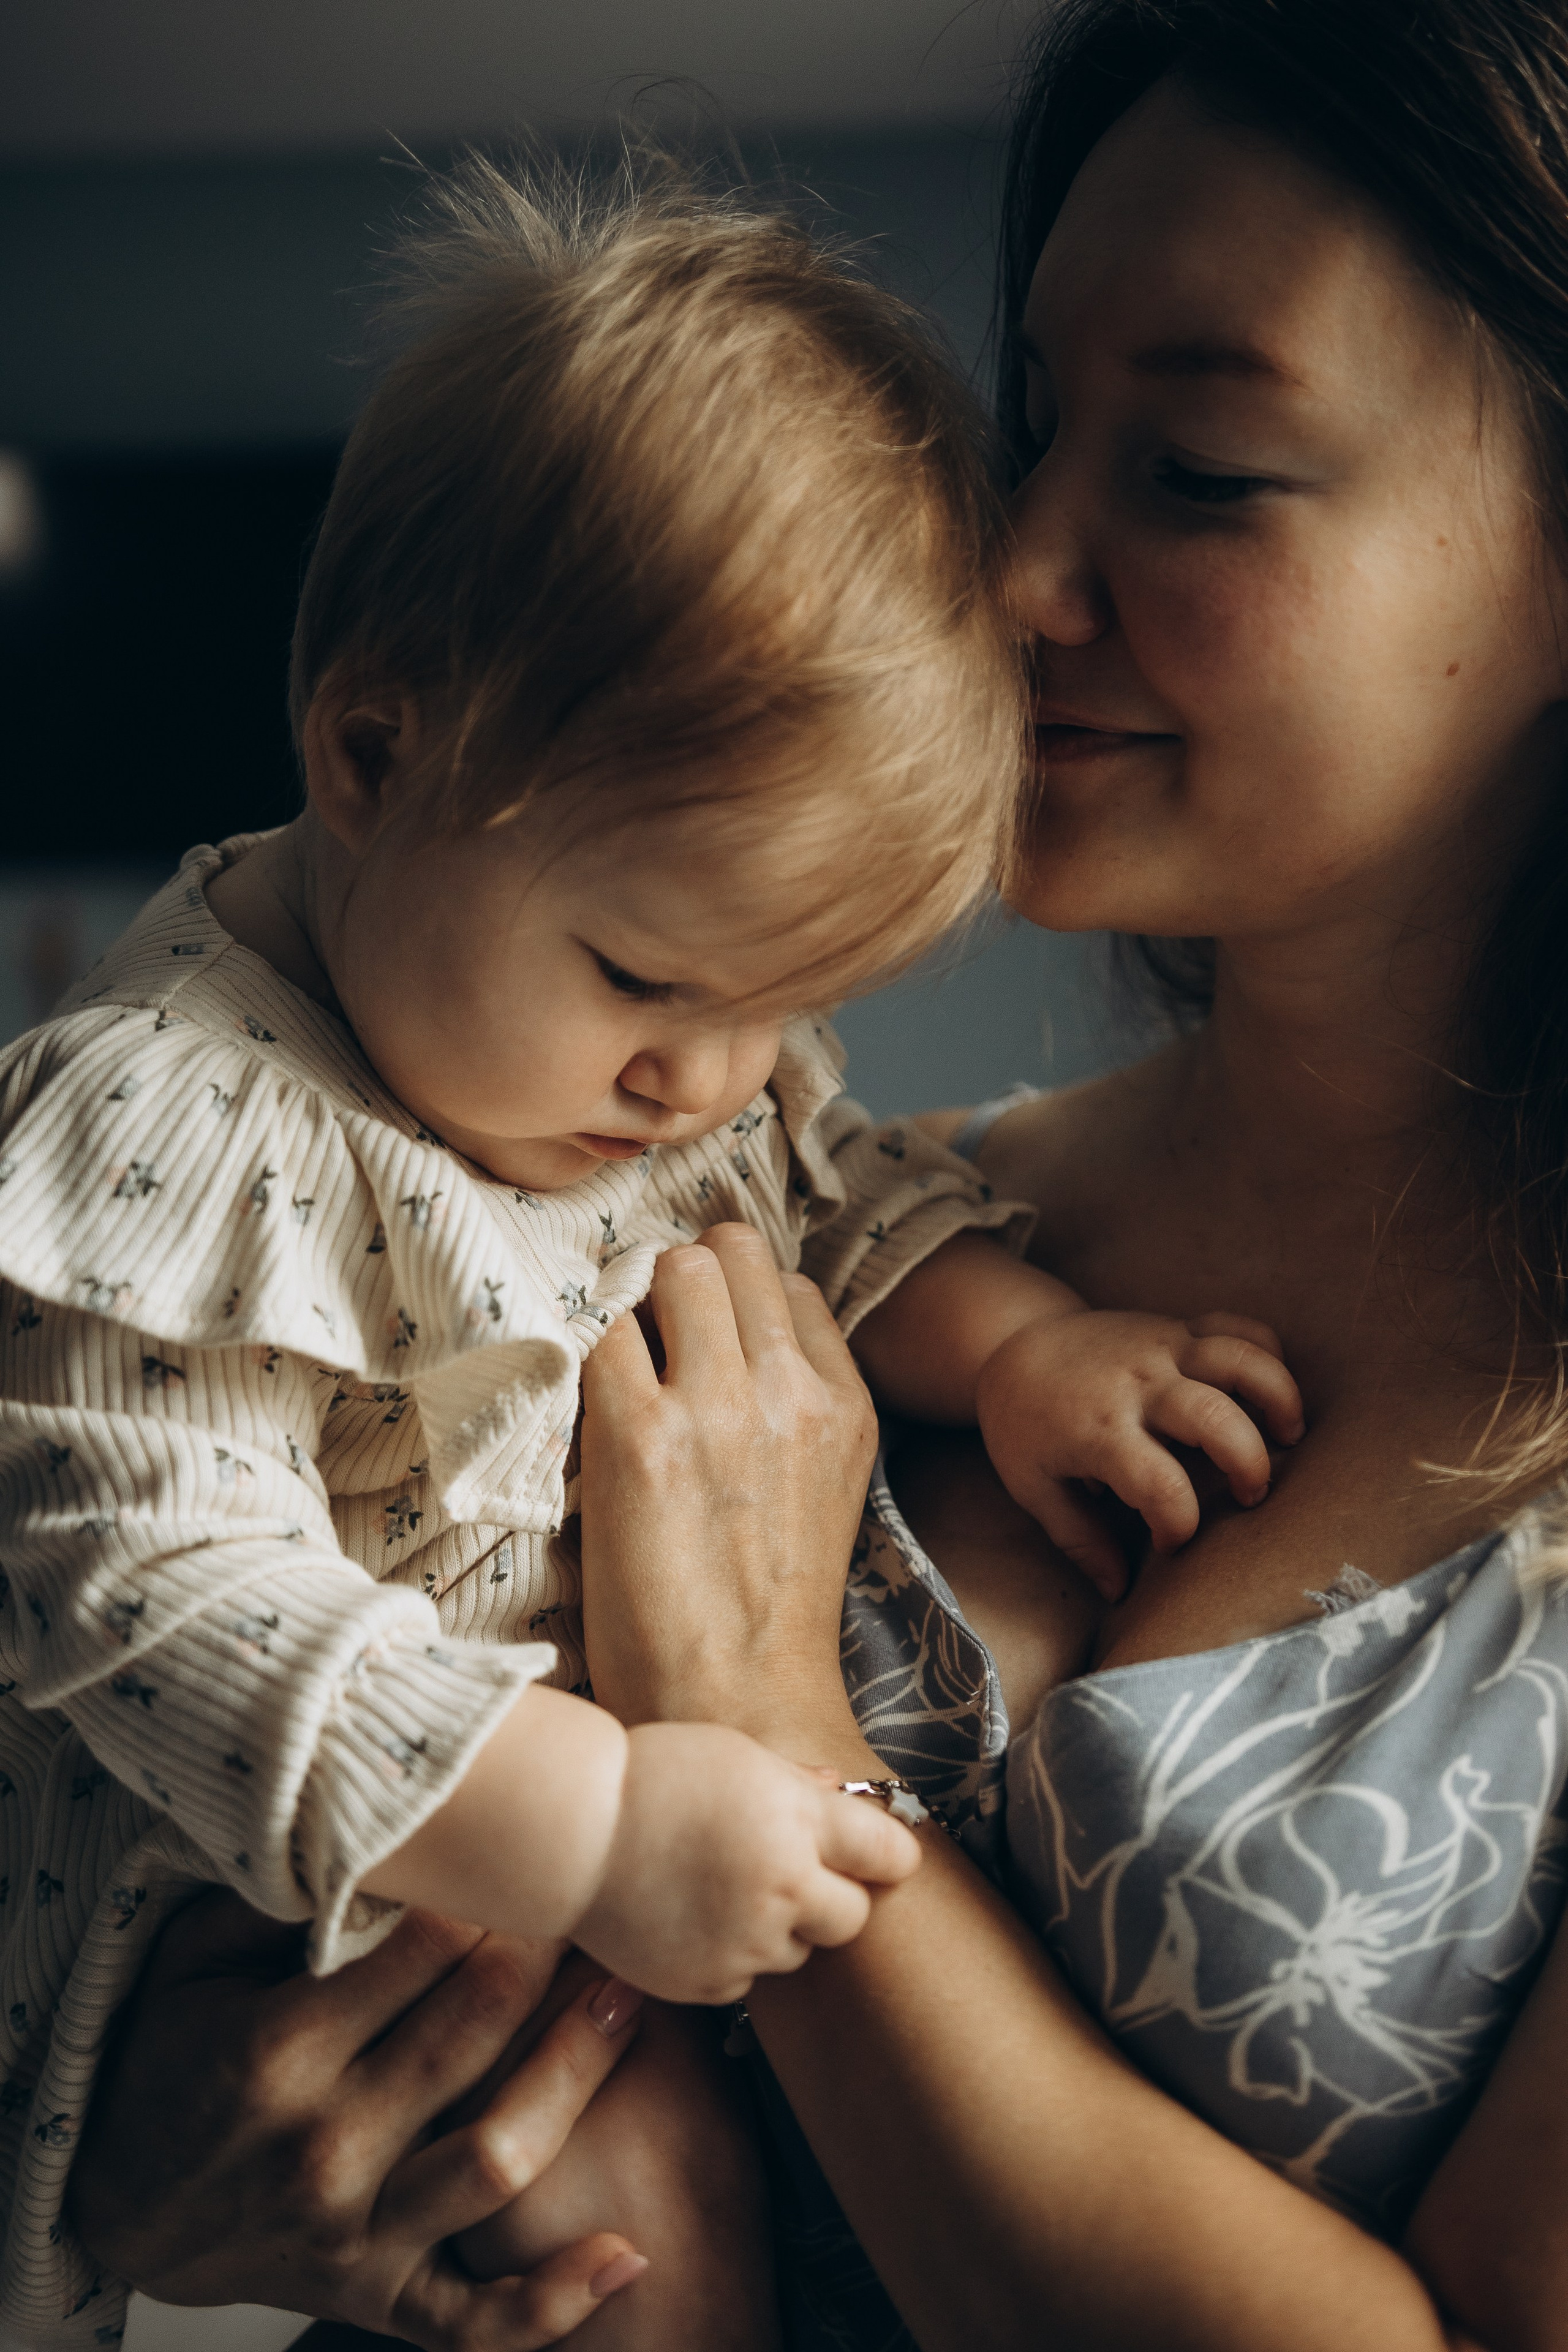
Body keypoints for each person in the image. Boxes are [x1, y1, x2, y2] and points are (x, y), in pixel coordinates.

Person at [0, 148, 1295, 2349]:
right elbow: (154, 1601)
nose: (711, 1083)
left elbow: (835, 1193)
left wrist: (1022, 1350)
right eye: (648, 981)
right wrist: (592, 1829)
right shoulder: (172, 1127)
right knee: (634, 2226)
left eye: (781, 1007)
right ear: (375, 751)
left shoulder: (628, 1061)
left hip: (620, 1882)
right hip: (317, 1907)